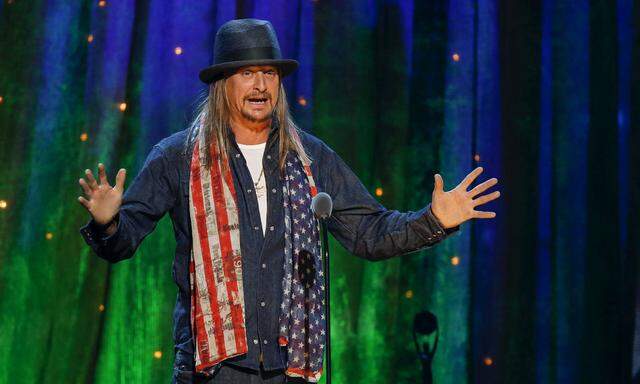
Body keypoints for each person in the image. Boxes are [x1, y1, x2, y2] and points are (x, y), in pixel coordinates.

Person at [77, 18, 500, 384]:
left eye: (269, 73)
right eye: (247, 73)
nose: (260, 85)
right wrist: (108, 223)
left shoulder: (310, 157)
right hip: (211, 372)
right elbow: (122, 242)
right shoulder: (179, 157)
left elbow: (368, 234)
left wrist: (434, 219)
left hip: (290, 368)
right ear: (223, 84)